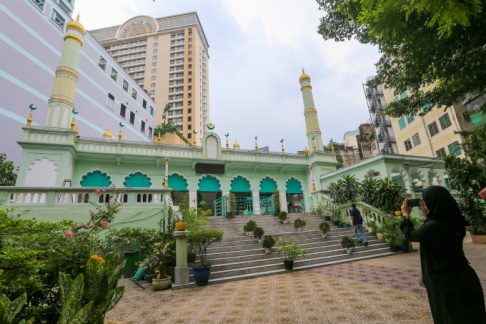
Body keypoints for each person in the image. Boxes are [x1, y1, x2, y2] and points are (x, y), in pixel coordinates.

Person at [400, 186, 486, 324]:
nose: (423, 204)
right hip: (464, 278)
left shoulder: (433, 227)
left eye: (425, 201)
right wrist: (427, 216)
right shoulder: (455, 223)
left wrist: (406, 216)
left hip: (446, 284)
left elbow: (410, 234)